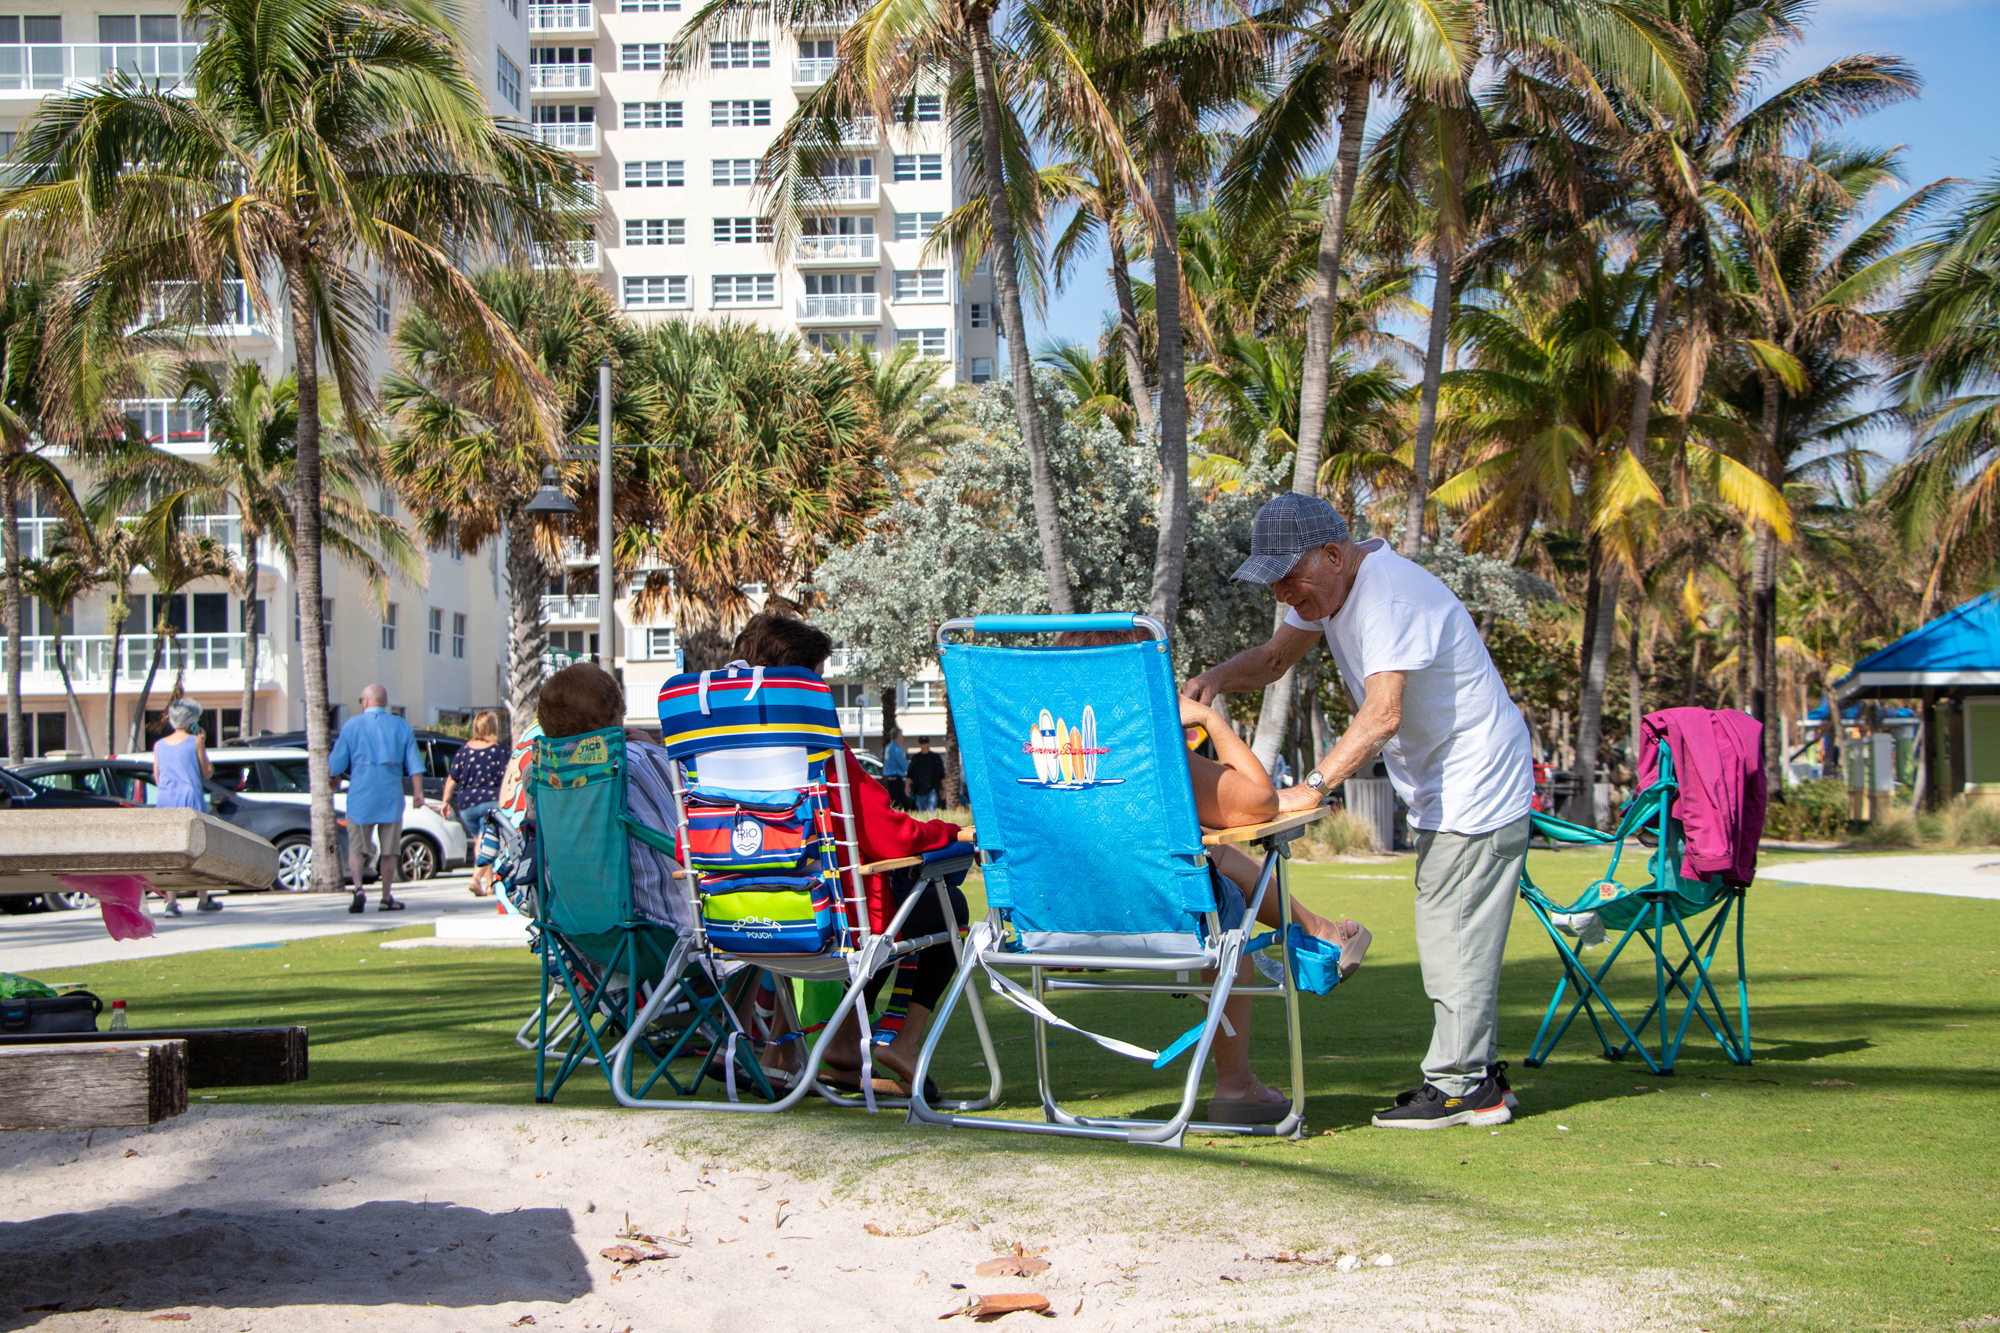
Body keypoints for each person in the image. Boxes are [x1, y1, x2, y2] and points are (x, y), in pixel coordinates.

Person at [1184, 492, 1534, 1130]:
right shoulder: (1333, 591)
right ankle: (1476, 1077)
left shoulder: (1386, 598)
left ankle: (1462, 1089)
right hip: (1444, 787)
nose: (1281, 593)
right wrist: (1213, 681)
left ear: (1333, 555)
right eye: (1272, 581)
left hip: (1476, 785)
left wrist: (1313, 785)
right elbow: (1272, 660)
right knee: (1453, 929)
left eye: (1288, 577)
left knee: (1453, 933)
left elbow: (1382, 714)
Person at [1054, 628, 1370, 1125]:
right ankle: (1235, 1084)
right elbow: (1259, 802)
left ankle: (1317, 928)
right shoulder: (1152, 758)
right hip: (1158, 918)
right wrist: (1209, 720)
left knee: (1212, 855)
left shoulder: (1027, 757)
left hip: (1053, 922)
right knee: (1222, 905)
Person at [729, 611, 976, 1097]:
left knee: (869, 905)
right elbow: (888, 837)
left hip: (740, 916)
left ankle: (816, 1048)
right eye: (817, 676)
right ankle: (902, 1042)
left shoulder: (716, 751)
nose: (821, 687)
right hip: (823, 919)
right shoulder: (816, 748)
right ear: (798, 679)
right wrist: (951, 833)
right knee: (942, 904)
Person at [534, 663, 687, 931]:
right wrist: (661, 755)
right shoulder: (637, 761)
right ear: (616, 713)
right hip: (656, 929)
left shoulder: (545, 774)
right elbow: (696, 826)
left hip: (580, 931)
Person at [327, 685, 425, 915]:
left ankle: (359, 889)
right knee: (389, 850)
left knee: (356, 848)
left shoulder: (352, 725)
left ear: (365, 701)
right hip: (390, 795)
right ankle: (386, 896)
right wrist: (418, 792)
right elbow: (414, 764)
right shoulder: (401, 726)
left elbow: (337, 760)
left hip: (361, 795)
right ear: (385, 703)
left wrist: (334, 776)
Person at [152, 698, 219, 916]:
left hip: (166, 800)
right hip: (190, 799)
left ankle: (171, 902)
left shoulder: (159, 745)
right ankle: (203, 898)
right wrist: (203, 742)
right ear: (192, 720)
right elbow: (207, 772)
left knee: (170, 852)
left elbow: (157, 777)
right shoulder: (195, 741)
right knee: (197, 849)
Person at [441, 710, 507, 897]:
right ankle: (476, 878)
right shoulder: (499, 750)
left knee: (480, 840)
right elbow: (506, 778)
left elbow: (452, 778)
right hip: (490, 801)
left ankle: (489, 885)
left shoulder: (464, 750)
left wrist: (445, 801)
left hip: (467, 804)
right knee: (488, 841)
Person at [907, 736, 946, 812]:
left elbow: (942, 775)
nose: (925, 745)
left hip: (933, 789)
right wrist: (907, 786)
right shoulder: (916, 758)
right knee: (921, 813)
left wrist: (944, 790)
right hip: (919, 790)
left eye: (927, 743)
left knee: (931, 812)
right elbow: (910, 774)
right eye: (923, 743)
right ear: (919, 745)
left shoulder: (936, 758)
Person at [881, 728, 912, 811]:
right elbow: (904, 765)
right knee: (904, 802)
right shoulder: (896, 749)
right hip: (896, 779)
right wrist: (912, 770)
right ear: (898, 737)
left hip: (889, 780)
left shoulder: (888, 747)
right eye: (901, 735)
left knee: (894, 802)